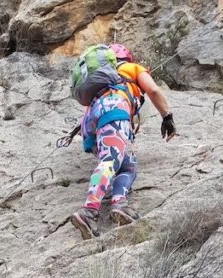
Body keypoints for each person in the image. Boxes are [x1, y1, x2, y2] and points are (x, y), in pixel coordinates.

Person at [71, 43, 176, 239]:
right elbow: (153, 90)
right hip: (115, 109)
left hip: (92, 121)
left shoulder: (101, 81)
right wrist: (167, 117)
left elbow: (90, 112)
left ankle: (119, 204)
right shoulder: (132, 68)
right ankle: (89, 211)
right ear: (127, 58)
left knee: (127, 165)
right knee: (111, 160)